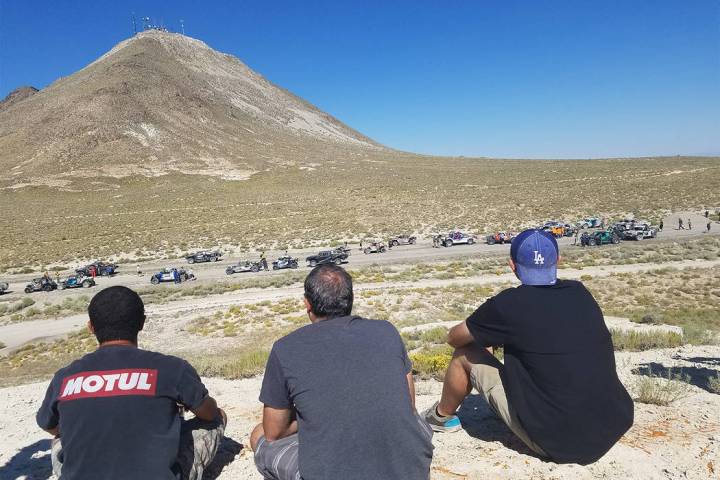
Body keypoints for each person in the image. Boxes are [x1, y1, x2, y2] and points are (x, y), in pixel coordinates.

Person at [422, 229, 633, 465]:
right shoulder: (580, 293)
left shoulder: (508, 305)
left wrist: (484, 331)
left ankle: (441, 417)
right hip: (612, 424)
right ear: (558, 260)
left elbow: (455, 338)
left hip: (558, 442)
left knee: (465, 353)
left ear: (512, 265)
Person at [250, 264, 433, 480]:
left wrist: (313, 417)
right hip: (410, 469)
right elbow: (408, 404)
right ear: (350, 300)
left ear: (307, 304)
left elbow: (274, 431)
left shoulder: (285, 348)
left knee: (258, 435)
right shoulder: (386, 330)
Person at [36, 286, 226, 480]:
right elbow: (209, 414)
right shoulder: (172, 368)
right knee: (219, 416)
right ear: (142, 323)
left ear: (91, 327)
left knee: (61, 440)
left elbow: (49, 425)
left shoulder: (65, 377)